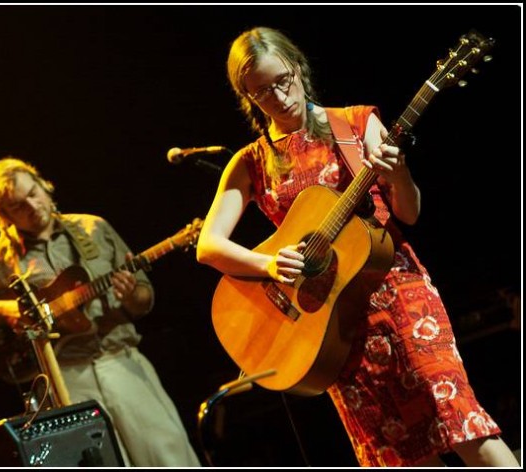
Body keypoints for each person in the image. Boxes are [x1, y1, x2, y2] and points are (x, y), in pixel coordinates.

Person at [195, 26, 519, 467]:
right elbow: (208, 245)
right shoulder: (250, 162)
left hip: (398, 296)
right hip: (329, 326)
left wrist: (399, 174)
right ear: (248, 97)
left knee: (461, 422)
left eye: (283, 80)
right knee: (400, 455)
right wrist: (269, 264)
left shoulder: (354, 123)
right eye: (262, 92)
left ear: (298, 67)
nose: (279, 96)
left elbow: (408, 213)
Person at [0, 156, 201, 467]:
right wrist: (2, 309)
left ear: (44, 186)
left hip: (122, 361)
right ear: (3, 216)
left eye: (33, 193)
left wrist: (131, 294)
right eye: (19, 205)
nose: (32, 206)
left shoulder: (93, 227)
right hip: (66, 378)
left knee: (169, 457)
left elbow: (144, 299)